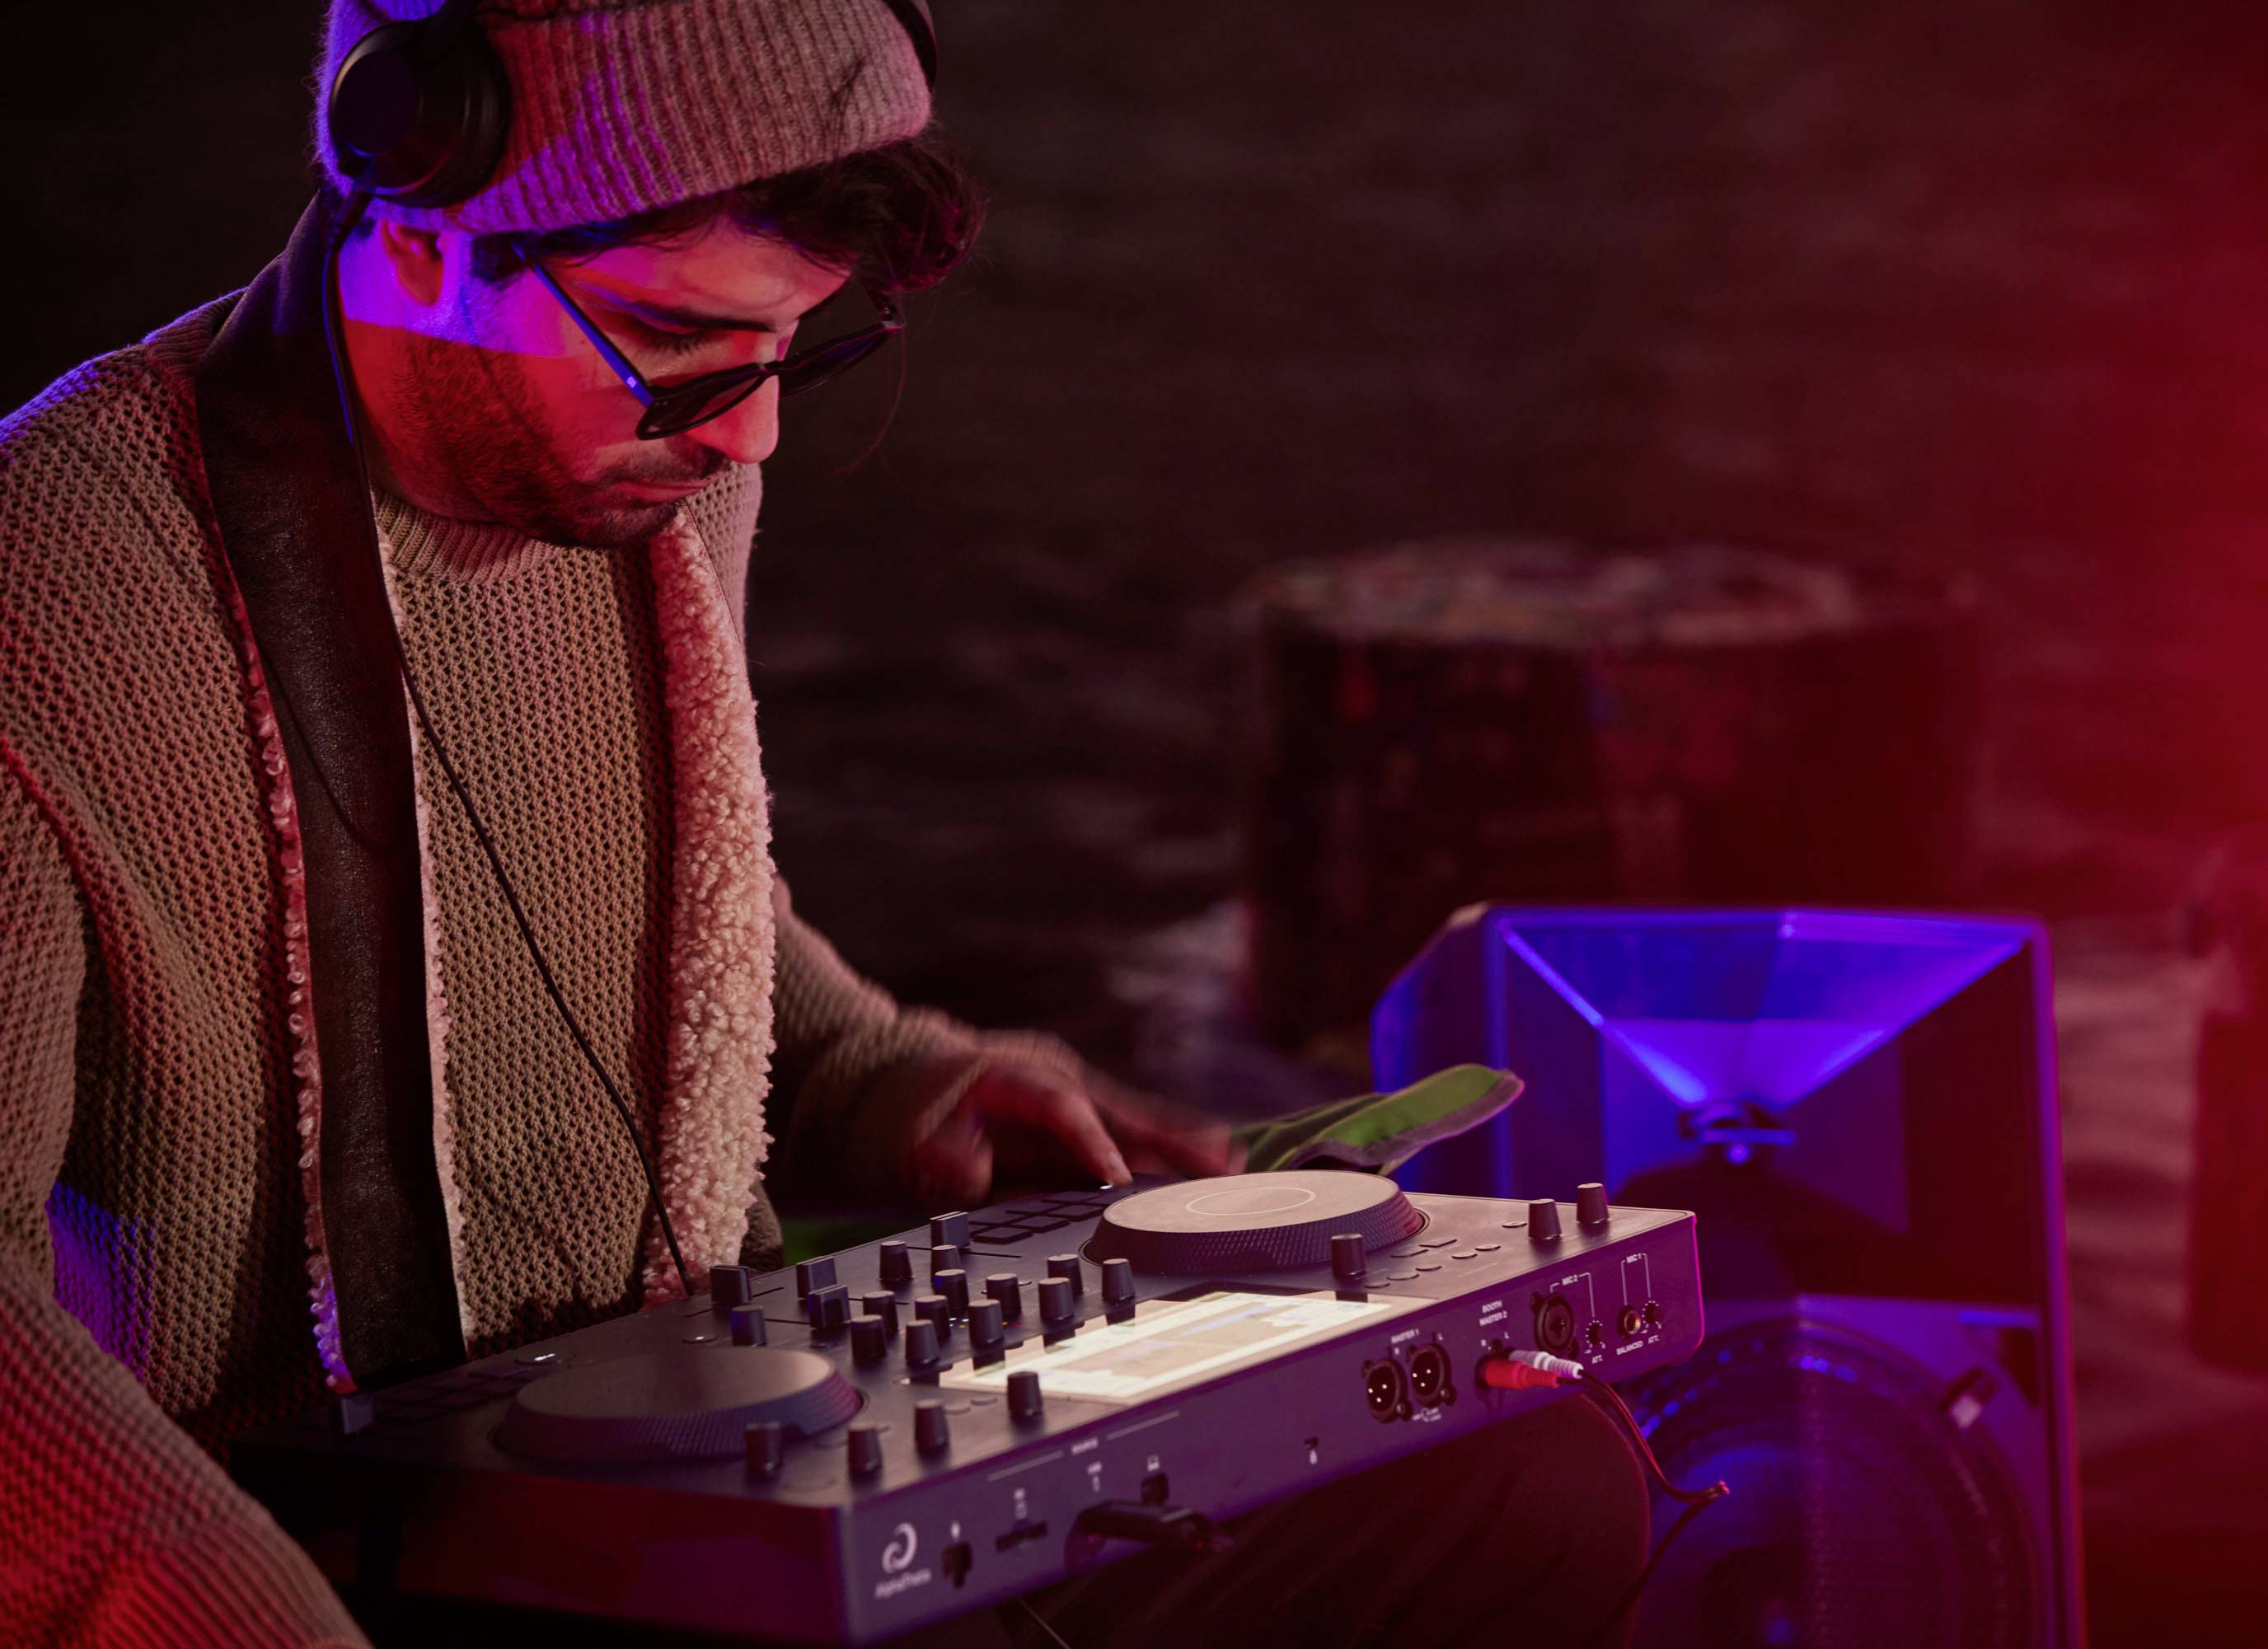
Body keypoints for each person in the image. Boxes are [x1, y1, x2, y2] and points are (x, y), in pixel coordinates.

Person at [0, 2, 1652, 1644]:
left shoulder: (672, 456)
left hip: (704, 1483)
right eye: (678, 344)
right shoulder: (47, 587)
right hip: (318, 1562)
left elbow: (664, 884)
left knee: (1528, 1474)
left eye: (796, 348)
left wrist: (875, 1068)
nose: (748, 432)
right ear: (416, 206)